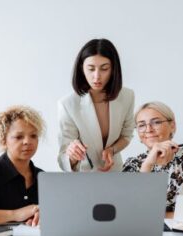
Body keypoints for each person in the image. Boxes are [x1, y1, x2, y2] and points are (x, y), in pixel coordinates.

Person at [58, 38, 135, 172]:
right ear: (82, 68)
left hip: (115, 172)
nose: (96, 76)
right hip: (85, 178)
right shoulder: (68, 104)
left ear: (113, 70)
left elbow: (127, 135)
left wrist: (112, 149)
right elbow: (63, 160)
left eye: (104, 69)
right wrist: (73, 155)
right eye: (91, 69)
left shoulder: (127, 96)